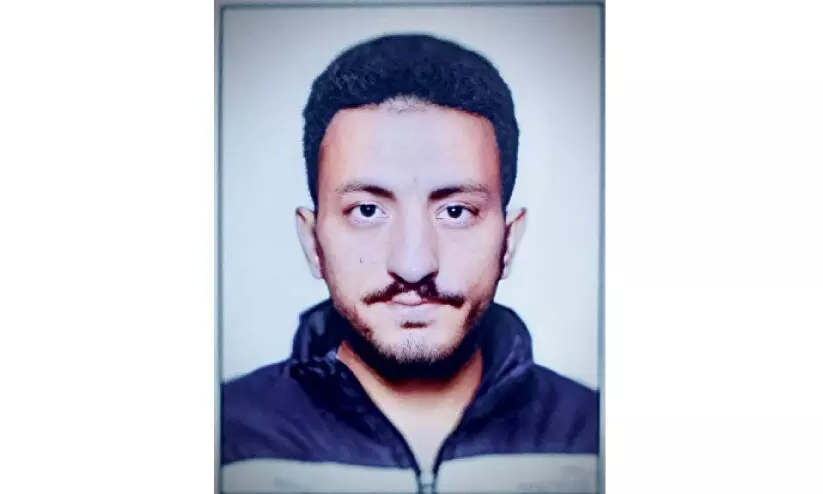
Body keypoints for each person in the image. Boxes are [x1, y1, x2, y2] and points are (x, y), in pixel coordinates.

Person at [220, 33, 600, 494]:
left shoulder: (596, 439)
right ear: (313, 241)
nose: (414, 264)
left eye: (456, 211)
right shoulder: (225, 440)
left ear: (509, 241)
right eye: (367, 211)